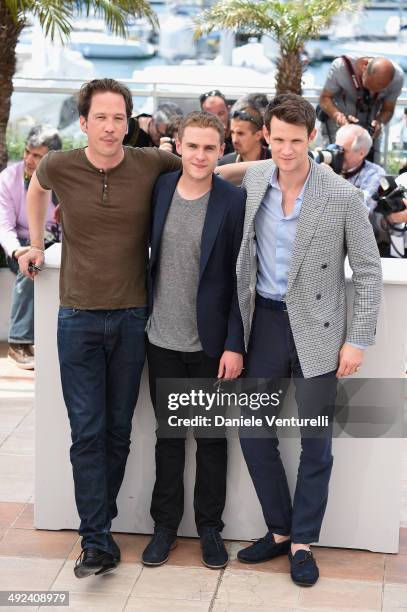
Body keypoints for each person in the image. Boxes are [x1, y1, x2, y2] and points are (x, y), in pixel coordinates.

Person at [19, 78, 183, 580]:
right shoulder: (59, 164)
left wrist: (285, 165)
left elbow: (203, 164)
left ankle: (100, 531)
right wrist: (37, 242)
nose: (110, 127)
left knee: (116, 433)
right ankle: (96, 540)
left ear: (129, 122)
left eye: (119, 118)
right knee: (87, 433)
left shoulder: (151, 162)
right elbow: (37, 188)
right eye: (100, 118)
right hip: (77, 319)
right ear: (84, 122)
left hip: (134, 319)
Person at [235, 94, 382, 586]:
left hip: (320, 331)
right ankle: (279, 529)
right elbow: (214, 175)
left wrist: (357, 339)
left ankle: (302, 542)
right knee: (254, 431)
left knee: (315, 442)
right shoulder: (255, 177)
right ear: (266, 137)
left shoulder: (341, 194)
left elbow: (367, 270)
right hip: (266, 325)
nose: (285, 150)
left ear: (312, 139)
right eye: (276, 140)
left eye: (295, 141)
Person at [142, 111, 245, 570]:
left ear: (220, 149)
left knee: (210, 440)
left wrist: (234, 343)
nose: (201, 155)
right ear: (177, 146)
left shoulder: (232, 200)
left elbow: (244, 279)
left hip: (210, 345)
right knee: (168, 439)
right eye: (193, 146)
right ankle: (164, 527)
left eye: (210, 147)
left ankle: (209, 529)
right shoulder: (160, 190)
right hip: (160, 338)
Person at [0, 125, 62, 369]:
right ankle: (18, 342)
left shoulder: (63, 178)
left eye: (37, 156)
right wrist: (18, 251)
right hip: (20, 246)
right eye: (27, 152)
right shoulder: (7, 179)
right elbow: (4, 227)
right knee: (33, 262)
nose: (28, 159)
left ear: (51, 158)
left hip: (57, 244)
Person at [319, 56, 403, 161]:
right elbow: (325, 98)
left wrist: (379, 122)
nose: (372, 93)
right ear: (364, 67)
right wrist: (338, 117)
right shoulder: (341, 67)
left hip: (369, 135)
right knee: (335, 165)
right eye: (369, 86)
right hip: (338, 129)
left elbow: (388, 109)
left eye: (378, 91)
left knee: (370, 170)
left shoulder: (397, 77)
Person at [335, 124, 385, 211]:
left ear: (361, 153)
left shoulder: (375, 173)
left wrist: (332, 181)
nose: (336, 153)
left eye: (343, 150)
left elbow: (363, 207)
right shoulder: (324, 166)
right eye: (336, 147)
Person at [199, 89, 234, 154]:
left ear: (228, 110)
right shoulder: (197, 138)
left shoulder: (238, 136)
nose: (217, 119)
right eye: (210, 115)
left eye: (221, 113)